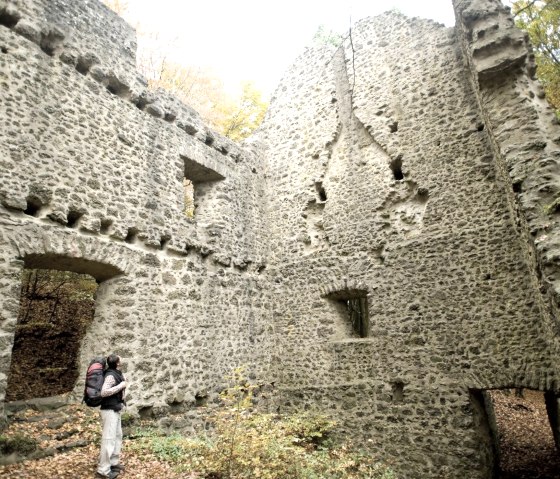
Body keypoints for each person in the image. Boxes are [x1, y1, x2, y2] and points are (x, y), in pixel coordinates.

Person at [97, 354, 127, 479]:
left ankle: (113, 463)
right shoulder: (110, 375)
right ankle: (103, 470)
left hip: (115, 409)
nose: (122, 360)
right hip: (109, 411)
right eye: (120, 359)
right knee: (108, 439)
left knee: (117, 436)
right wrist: (121, 386)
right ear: (117, 363)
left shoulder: (116, 373)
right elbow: (104, 392)